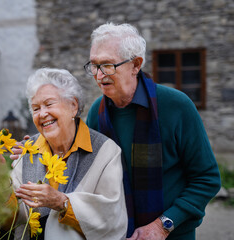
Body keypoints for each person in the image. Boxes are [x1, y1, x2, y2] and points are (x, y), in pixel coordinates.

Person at [83, 22, 221, 240]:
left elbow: (207, 178)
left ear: (136, 65)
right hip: (116, 234)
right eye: (94, 65)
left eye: (108, 65)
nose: (99, 76)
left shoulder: (176, 106)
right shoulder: (96, 114)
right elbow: (85, 174)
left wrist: (163, 225)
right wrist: (37, 152)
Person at [0, 68, 127, 240]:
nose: (42, 114)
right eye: (36, 108)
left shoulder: (106, 152)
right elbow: (12, 222)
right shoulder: (28, 150)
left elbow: (111, 220)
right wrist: (1, 185)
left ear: (73, 106)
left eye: (49, 104)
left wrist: (62, 202)